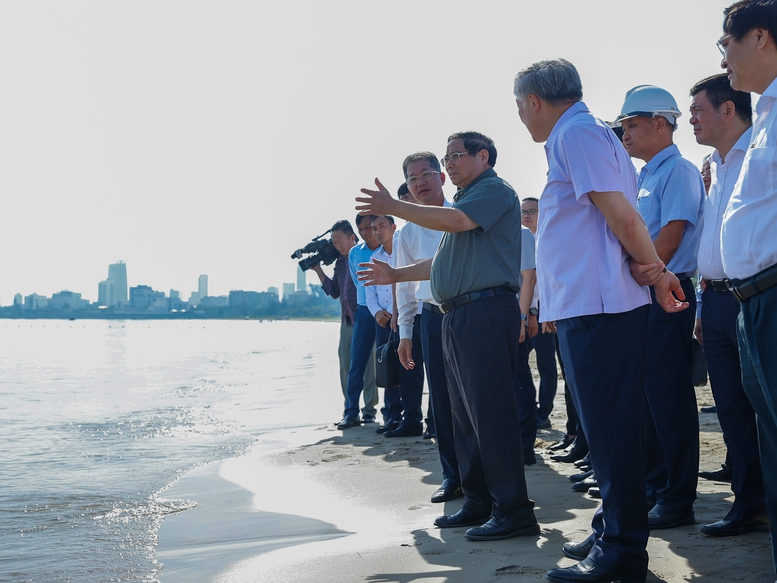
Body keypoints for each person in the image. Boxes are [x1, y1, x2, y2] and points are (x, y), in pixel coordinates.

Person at [513, 58, 687, 583]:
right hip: (593, 304)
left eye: (519, 105)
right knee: (613, 427)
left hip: (598, 306)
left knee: (611, 430)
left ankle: (623, 552)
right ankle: (613, 526)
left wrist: (656, 274)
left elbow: (621, 214)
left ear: (535, 102)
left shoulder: (579, 135)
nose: (521, 115)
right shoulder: (586, 134)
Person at [356, 131, 539, 543]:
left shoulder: (492, 191)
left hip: (486, 311)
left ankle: (513, 509)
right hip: (456, 315)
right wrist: (396, 275)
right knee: (462, 417)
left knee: (490, 414)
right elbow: (440, 262)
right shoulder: (467, 201)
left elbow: (454, 223)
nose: (451, 163)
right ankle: (478, 501)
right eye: (448, 156)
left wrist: (392, 206)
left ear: (484, 157)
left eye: (456, 156)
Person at [615, 84, 705, 529]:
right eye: (623, 126)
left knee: (668, 399)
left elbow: (671, 236)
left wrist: (641, 274)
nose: (625, 134)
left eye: (632, 124)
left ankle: (676, 498)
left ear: (660, 123)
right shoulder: (644, 175)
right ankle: (655, 486)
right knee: (647, 400)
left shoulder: (680, 171)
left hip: (666, 292)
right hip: (643, 293)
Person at [688, 72, 766, 536]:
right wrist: (702, 304)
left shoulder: (757, 155)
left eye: (698, 109)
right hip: (715, 300)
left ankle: (758, 500)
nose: (691, 119)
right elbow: (714, 241)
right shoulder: (714, 166)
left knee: (761, 406)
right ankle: (748, 499)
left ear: (727, 109)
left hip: (753, 295)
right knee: (731, 405)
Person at [718, 0, 777, 572]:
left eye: (727, 44)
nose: (725, 58)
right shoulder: (766, 116)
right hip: (752, 301)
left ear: (760, 37)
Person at [394, 151, 460, 501]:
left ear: (442, 178)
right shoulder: (405, 232)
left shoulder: (460, 214)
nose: (419, 183)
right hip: (431, 317)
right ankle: (453, 476)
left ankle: (483, 472)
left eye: (426, 175)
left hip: (467, 314)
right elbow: (403, 288)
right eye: (412, 178)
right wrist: (405, 333)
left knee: (474, 397)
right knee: (441, 398)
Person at [309, 220, 365, 411]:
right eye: (334, 243)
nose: (337, 246)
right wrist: (318, 270)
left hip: (365, 320)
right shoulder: (340, 262)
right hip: (347, 322)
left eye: (340, 242)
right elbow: (334, 292)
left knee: (370, 369)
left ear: (352, 238)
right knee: (345, 367)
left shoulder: (365, 255)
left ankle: (369, 411)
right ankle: (350, 408)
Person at [336, 214, 381, 429]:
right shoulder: (355, 253)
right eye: (361, 229)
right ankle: (351, 412)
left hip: (387, 311)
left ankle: (389, 413)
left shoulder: (387, 249)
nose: (365, 232)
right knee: (357, 364)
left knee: (388, 362)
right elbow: (357, 283)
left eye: (368, 228)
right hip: (364, 312)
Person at [520, 196, 560, 430]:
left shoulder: (548, 241)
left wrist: (535, 312)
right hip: (523, 313)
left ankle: (543, 412)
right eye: (523, 212)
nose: (526, 215)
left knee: (547, 365)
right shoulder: (518, 241)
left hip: (544, 313)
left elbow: (543, 281)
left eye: (531, 211)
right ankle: (527, 408)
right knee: (520, 364)